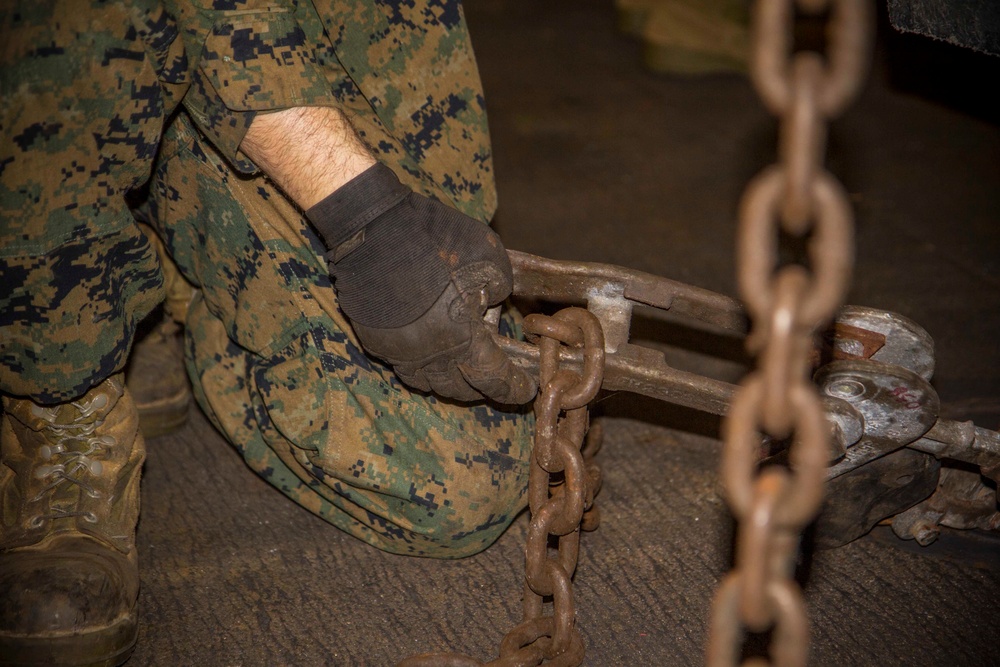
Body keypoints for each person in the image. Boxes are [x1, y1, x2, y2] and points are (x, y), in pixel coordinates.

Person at [0, 1, 537, 665]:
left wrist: (407, 223)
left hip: (262, 83)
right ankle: (61, 403)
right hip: (69, 77)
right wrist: (357, 206)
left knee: (461, 480)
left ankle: (167, 265)